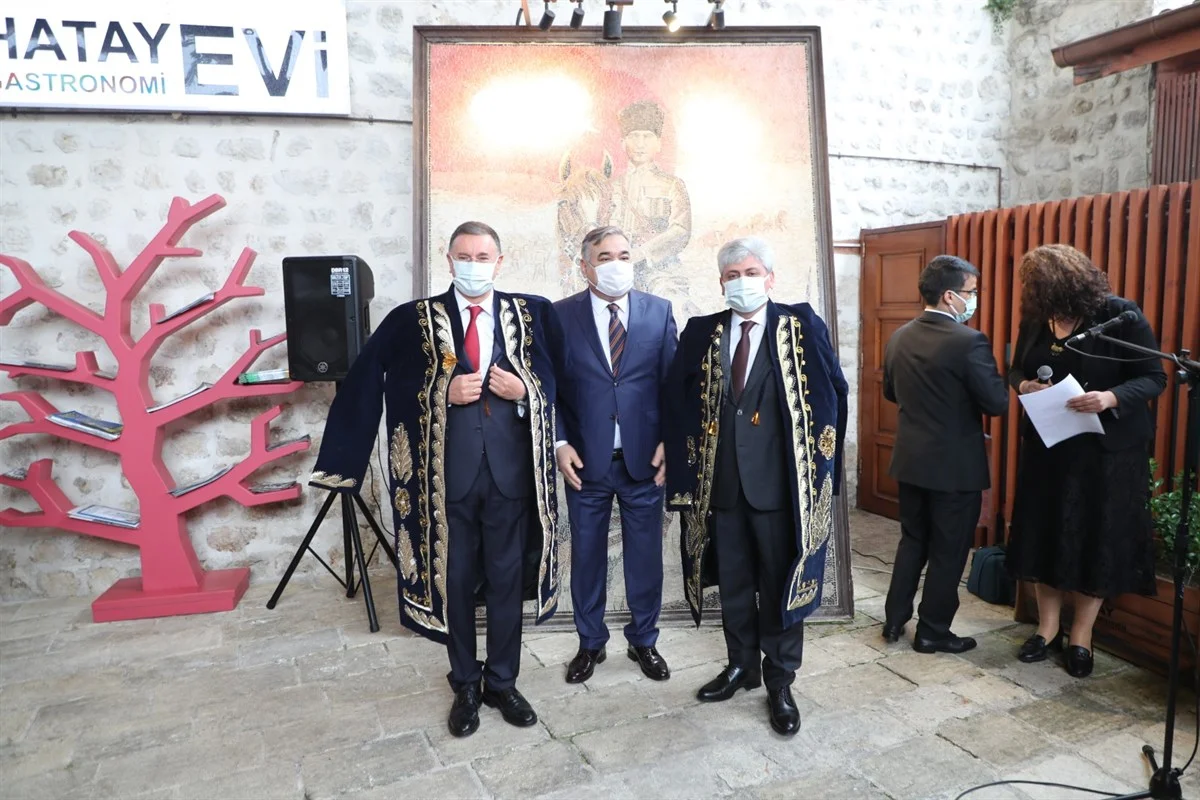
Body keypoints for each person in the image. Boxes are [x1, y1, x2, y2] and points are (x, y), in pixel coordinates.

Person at [308, 221, 565, 738]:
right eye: (464, 256)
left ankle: (503, 681)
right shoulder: (411, 319)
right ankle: (465, 682)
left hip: (512, 476)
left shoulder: (533, 313)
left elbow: (562, 378)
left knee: (507, 581)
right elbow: (372, 379)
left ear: (500, 261)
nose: (474, 265)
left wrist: (526, 392)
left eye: (483, 256)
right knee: (455, 581)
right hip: (444, 480)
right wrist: (439, 393)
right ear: (449, 261)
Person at [663, 237, 847, 736]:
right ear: (720, 283)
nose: (741, 282)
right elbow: (676, 399)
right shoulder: (702, 331)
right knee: (736, 585)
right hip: (722, 489)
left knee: (780, 583)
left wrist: (822, 473)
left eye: (750, 272)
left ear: (769, 278)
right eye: (731, 275)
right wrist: (678, 466)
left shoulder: (801, 325)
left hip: (780, 489)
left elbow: (834, 391)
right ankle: (740, 666)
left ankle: (779, 681)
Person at [1006, 243, 1166, 678]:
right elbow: (1015, 369)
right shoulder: (1037, 318)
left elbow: (1154, 377)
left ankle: (1081, 636)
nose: (1039, 298)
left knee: (1095, 538)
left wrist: (1110, 397)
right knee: (1045, 535)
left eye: (1044, 290)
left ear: (1071, 284)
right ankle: (1047, 629)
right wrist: (1024, 387)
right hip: (1050, 447)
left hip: (1105, 453)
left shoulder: (1120, 315)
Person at [553, 225, 679, 684]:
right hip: (585, 462)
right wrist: (559, 443)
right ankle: (590, 643)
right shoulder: (559, 316)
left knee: (644, 557)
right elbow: (549, 388)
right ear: (585, 266)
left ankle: (644, 640)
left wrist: (669, 441)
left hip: (644, 461)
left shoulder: (658, 311)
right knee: (586, 557)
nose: (616, 265)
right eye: (605, 257)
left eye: (624, 255)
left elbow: (673, 385)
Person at [881, 255, 1008, 655]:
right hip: (955, 467)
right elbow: (996, 402)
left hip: (911, 459)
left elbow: (891, 392)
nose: (974, 299)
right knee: (948, 551)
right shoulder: (969, 341)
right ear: (950, 296)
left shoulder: (899, 336)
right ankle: (933, 631)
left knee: (912, 541)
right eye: (972, 292)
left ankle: (894, 620)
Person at [610, 100, 692, 288]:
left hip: (661, 272)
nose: (640, 144)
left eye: (647, 137)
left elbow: (680, 231)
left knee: (673, 300)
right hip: (617, 272)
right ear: (623, 143)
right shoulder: (613, 187)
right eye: (634, 136)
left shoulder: (672, 185)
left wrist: (641, 253)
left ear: (659, 144)